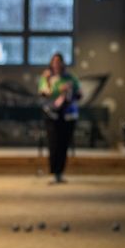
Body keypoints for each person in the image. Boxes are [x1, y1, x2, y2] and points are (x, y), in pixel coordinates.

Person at [38, 52, 81, 184]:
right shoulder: (46, 77)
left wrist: (69, 90)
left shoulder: (71, 78)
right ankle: (54, 171)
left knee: (63, 144)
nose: (56, 64)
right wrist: (51, 84)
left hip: (67, 115)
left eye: (59, 61)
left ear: (63, 63)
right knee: (53, 143)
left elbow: (79, 94)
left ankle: (60, 172)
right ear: (51, 63)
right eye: (54, 61)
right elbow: (44, 92)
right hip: (51, 114)